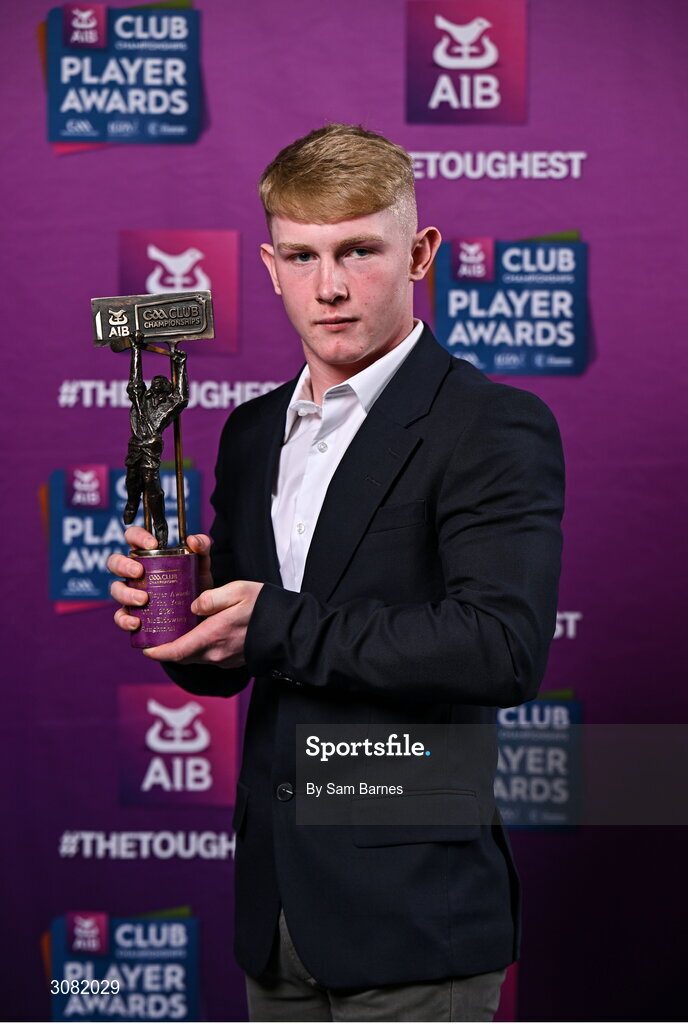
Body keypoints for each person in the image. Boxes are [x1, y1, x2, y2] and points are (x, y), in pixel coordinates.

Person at [107, 123, 564, 1022]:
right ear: (270, 267)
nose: (330, 287)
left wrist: (267, 619)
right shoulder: (246, 432)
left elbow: (500, 648)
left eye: (359, 250)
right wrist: (186, 629)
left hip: (412, 917)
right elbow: (239, 662)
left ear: (419, 253)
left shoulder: (492, 425)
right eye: (302, 255)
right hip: (276, 909)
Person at [122, 335, 188, 549]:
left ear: (168, 388)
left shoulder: (169, 405)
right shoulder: (141, 399)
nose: (158, 381)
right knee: (132, 479)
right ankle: (132, 502)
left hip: (151, 447)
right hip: (136, 445)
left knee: (152, 486)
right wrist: (136, 350)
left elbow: (182, 397)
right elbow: (135, 382)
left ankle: (160, 524)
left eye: (163, 381)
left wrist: (180, 365)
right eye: (155, 380)